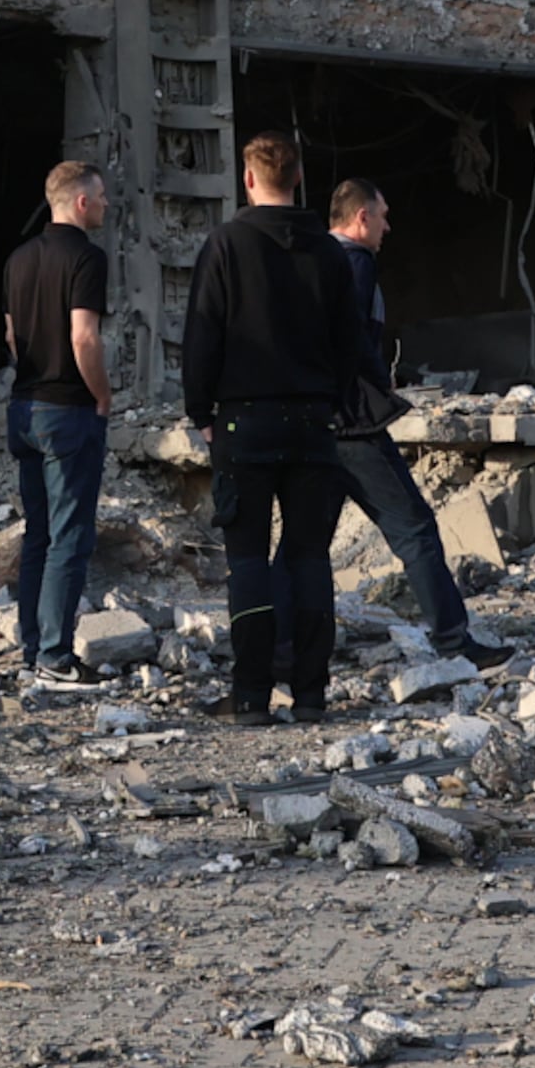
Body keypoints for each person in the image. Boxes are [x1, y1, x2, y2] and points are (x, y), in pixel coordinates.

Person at [181, 132, 361, 725]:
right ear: (299, 178)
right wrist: (338, 403)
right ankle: (311, 694)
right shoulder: (331, 254)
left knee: (249, 562)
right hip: (313, 422)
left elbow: (202, 334)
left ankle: (252, 695)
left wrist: (200, 413)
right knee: (310, 559)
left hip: (244, 421)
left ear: (248, 179)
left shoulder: (226, 245)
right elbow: (352, 342)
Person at [327, 179, 510, 670]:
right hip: (352, 425)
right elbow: (348, 334)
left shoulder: (307, 262)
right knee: (416, 530)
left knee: (305, 545)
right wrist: (377, 386)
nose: (389, 227)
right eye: (383, 216)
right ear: (361, 217)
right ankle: (454, 640)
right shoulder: (355, 262)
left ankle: (287, 650)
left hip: (310, 424)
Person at [0, 163, 115, 687]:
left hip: (23, 407)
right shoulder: (88, 259)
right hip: (68, 410)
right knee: (70, 536)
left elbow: (10, 337)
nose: (107, 206)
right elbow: (83, 337)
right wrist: (102, 393)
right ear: (82, 202)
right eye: (102, 197)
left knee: (39, 535)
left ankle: (32, 650)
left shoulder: (18, 259)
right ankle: (53, 657)